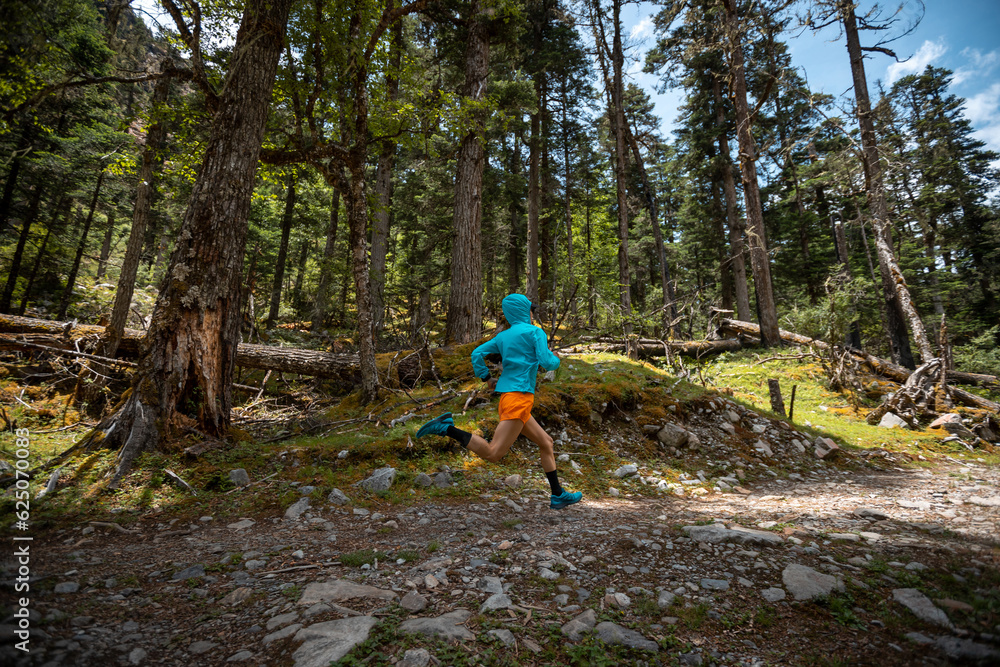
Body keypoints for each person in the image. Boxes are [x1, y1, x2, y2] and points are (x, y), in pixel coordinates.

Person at [415, 293, 582, 510]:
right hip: (519, 399)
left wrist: (486, 378)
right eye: (531, 309)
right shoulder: (535, 332)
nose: (532, 313)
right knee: (494, 453)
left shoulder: (503, 336)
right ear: (525, 310)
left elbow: (477, 353)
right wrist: (556, 357)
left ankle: (558, 494)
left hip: (508, 398)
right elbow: (548, 363)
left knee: (546, 443)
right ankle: (446, 427)